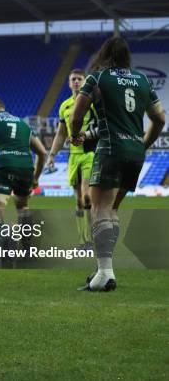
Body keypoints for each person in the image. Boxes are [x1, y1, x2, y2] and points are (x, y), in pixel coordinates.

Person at [71, 37, 165, 292]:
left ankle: (104, 273)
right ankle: (104, 271)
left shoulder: (97, 78)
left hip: (110, 149)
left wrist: (75, 134)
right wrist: (142, 145)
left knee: (99, 208)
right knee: (112, 210)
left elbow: (76, 114)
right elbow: (159, 120)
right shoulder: (143, 80)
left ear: (104, 54)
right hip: (135, 152)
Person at [0, 97, 46, 264]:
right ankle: (28, 253)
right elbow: (42, 152)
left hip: (2, 167)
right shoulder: (24, 124)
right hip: (25, 169)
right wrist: (35, 178)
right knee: (23, 207)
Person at [47, 69, 98, 249]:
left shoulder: (92, 104)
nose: (76, 81)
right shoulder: (64, 106)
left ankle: (93, 239)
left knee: (86, 196)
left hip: (89, 154)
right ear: (69, 83)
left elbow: (100, 129)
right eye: (73, 79)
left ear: (84, 82)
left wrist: (86, 136)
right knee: (78, 201)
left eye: (79, 79)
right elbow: (61, 134)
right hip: (73, 157)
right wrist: (52, 155)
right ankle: (83, 240)